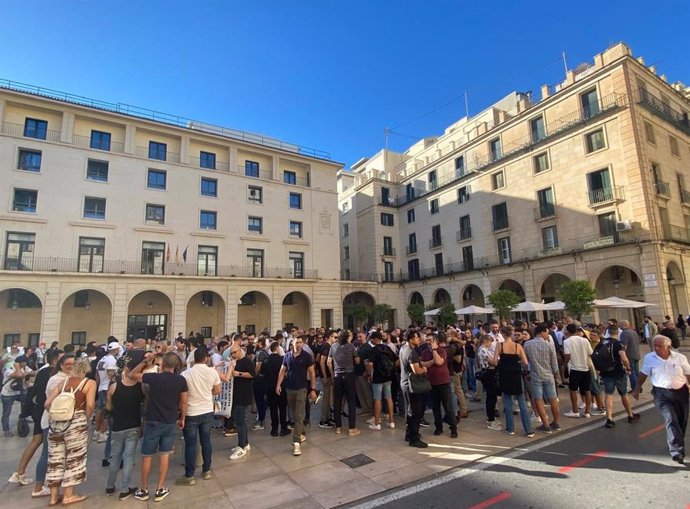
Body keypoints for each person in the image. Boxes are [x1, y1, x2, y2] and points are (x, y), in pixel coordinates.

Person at [128, 352, 187, 502]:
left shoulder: (154, 378)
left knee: (147, 456)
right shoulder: (181, 380)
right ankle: (160, 488)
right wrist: (182, 418)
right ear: (175, 365)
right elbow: (184, 402)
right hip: (170, 420)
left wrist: (145, 361)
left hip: (153, 420)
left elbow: (132, 375)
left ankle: (144, 489)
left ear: (163, 364)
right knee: (164, 454)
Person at [44, 356, 97, 506]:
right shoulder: (89, 383)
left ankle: (54, 497)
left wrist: (54, 415)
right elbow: (91, 405)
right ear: (87, 369)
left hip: (56, 423)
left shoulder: (63, 382)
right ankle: (68, 495)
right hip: (76, 421)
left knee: (55, 460)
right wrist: (85, 419)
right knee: (74, 458)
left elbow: (47, 403)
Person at [632, 335, 690, 464]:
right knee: (671, 419)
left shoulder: (680, 358)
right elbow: (643, 374)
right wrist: (637, 388)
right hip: (661, 394)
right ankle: (677, 451)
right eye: (655, 346)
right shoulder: (649, 358)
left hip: (681, 392)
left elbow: (688, 373)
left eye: (660, 346)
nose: (656, 348)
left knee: (681, 420)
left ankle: (677, 440)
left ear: (668, 347)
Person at [8, 349, 59, 492]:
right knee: (47, 449)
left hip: (38, 411)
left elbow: (33, 391)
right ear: (55, 360)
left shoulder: (42, 372)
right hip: (47, 412)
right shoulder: (53, 374)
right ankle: (42, 483)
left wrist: (25, 413)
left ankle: (20, 472)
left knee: (36, 441)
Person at [177, 347, 220, 484]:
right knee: (206, 441)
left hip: (191, 412)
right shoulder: (212, 372)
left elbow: (182, 396)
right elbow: (217, 390)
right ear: (207, 358)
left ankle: (189, 475)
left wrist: (181, 416)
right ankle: (206, 470)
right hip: (207, 410)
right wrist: (206, 394)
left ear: (194, 359)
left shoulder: (185, 374)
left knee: (190, 444)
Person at [105, 359, 144, 500]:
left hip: (117, 425)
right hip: (133, 424)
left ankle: (110, 486)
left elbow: (109, 407)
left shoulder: (114, 387)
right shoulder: (141, 388)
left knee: (115, 457)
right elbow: (144, 405)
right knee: (128, 458)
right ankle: (125, 488)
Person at [277, 336, 318, 456]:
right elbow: (282, 371)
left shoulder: (306, 356)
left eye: (300, 342)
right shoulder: (287, 356)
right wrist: (278, 385)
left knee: (299, 414)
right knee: (295, 415)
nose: (298, 344)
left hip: (302, 388)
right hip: (289, 388)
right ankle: (302, 433)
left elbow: (312, 373)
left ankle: (296, 442)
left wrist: (313, 389)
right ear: (292, 344)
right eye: (296, 342)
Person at [597, 325, 640, 429]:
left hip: (606, 372)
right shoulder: (618, 344)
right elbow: (624, 359)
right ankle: (630, 415)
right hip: (618, 372)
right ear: (617, 333)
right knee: (623, 394)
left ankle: (609, 418)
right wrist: (628, 368)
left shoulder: (602, 342)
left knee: (608, 395)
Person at [494, 326, 533, 437]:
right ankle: (528, 429)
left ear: (502, 334)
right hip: (516, 374)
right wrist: (518, 362)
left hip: (505, 374)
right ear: (511, 333)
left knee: (507, 401)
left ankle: (510, 428)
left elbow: (495, 361)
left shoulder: (500, 345)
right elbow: (525, 362)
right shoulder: (518, 346)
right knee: (522, 402)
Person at [524, 325, 561, 433]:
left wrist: (527, 371)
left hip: (535, 375)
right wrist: (556, 375)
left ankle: (545, 424)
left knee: (538, 399)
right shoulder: (549, 345)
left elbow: (526, 361)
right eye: (547, 332)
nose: (548, 334)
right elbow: (554, 362)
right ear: (542, 332)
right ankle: (556, 422)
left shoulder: (528, 344)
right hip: (548, 375)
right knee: (553, 399)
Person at [421, 332, 458, 438]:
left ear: (435, 341)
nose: (428, 342)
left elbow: (439, 362)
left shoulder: (442, 350)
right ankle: (438, 427)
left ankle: (453, 428)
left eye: (430, 340)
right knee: (435, 407)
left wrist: (433, 351)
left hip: (443, 382)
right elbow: (423, 364)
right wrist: (432, 361)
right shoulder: (424, 352)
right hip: (431, 383)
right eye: (426, 339)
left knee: (448, 407)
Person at [328, 330, 361, 436]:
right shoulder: (350, 347)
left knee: (337, 401)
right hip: (349, 375)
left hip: (337, 375)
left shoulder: (333, 346)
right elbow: (357, 361)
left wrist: (333, 374)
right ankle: (352, 428)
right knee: (351, 401)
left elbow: (328, 362)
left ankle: (338, 427)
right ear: (347, 337)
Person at [399, 330, 428, 448]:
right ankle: (414, 438)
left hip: (404, 382)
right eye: (417, 337)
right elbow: (416, 370)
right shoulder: (411, 352)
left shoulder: (402, 348)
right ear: (411, 339)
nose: (419, 339)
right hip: (412, 384)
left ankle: (409, 434)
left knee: (409, 410)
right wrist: (424, 369)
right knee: (415, 412)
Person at [227, 342, 255, 460]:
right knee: (238, 419)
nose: (233, 354)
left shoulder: (247, 361)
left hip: (243, 396)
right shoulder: (234, 362)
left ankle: (241, 446)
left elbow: (253, 374)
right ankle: (245, 443)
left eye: (235, 352)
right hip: (236, 395)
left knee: (239, 421)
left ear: (240, 351)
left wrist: (238, 373)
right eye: (231, 353)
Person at [366, 331, 398, 431]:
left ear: (375, 339)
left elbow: (370, 364)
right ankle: (391, 421)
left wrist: (368, 374)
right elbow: (396, 360)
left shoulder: (374, 350)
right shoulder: (387, 348)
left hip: (377, 377)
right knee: (389, 398)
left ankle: (377, 423)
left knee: (377, 399)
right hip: (388, 377)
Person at [562, 324, 593, 418]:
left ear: (568, 331)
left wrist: (564, 365)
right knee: (587, 390)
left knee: (573, 390)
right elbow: (590, 353)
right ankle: (587, 411)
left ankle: (575, 410)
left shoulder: (567, 341)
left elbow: (567, 355)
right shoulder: (585, 340)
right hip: (585, 368)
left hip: (575, 368)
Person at [261, 341, 289, 436]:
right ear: (277, 349)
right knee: (282, 407)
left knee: (273, 408)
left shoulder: (266, 360)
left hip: (269, 386)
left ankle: (274, 429)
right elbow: (286, 372)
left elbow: (262, 372)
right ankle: (283, 428)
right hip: (281, 386)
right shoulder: (283, 359)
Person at [1, 354, 31, 437]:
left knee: (26, 404)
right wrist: (17, 367)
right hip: (7, 394)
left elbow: (33, 372)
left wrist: (26, 372)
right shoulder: (9, 370)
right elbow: (19, 375)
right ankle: (6, 430)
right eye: (24, 362)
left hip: (18, 393)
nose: (26, 363)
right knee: (6, 413)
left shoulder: (25, 368)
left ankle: (23, 419)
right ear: (20, 363)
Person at [478, 335, 501, 431]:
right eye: (490, 341)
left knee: (493, 395)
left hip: (492, 372)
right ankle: (490, 418)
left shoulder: (486, 350)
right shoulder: (483, 350)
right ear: (485, 341)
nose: (491, 343)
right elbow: (493, 362)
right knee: (491, 396)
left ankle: (492, 417)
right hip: (488, 373)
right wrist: (496, 353)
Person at [318, 330, 336, 428]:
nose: (336, 339)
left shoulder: (329, 346)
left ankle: (328, 417)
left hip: (329, 375)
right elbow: (322, 361)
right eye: (335, 337)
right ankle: (323, 419)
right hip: (327, 376)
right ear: (330, 337)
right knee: (326, 398)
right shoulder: (326, 346)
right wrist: (324, 376)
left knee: (329, 398)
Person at [619, 320, 641, 392]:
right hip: (636, 353)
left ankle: (635, 388)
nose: (619, 326)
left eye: (620, 324)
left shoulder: (624, 333)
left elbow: (624, 345)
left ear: (623, 325)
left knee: (631, 372)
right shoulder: (633, 332)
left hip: (629, 355)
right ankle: (639, 388)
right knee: (636, 372)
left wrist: (622, 354)